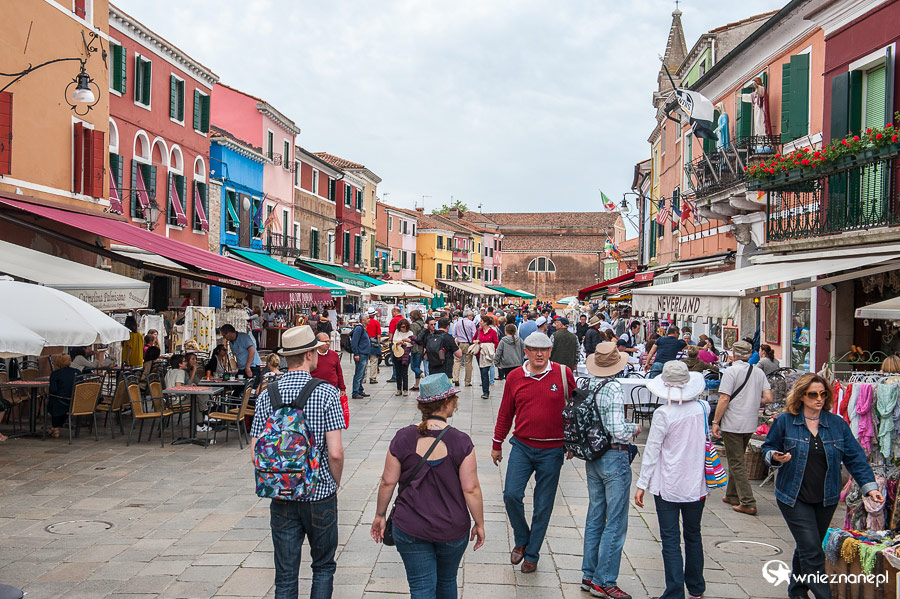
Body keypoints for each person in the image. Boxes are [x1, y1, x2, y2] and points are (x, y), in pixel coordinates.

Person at [761, 373, 882, 599]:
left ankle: (797, 592)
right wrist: (775, 457)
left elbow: (855, 457)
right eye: (813, 394)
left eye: (823, 394)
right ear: (801, 396)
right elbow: (767, 448)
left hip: (826, 498)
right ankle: (824, 595)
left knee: (809, 545)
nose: (818, 398)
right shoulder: (785, 421)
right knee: (813, 550)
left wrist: (870, 486)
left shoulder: (836, 424)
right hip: (792, 496)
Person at [249, 326, 345, 599]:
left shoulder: (268, 394)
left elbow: (256, 449)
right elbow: (335, 452)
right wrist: (334, 483)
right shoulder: (326, 393)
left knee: (286, 574)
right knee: (323, 567)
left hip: (281, 493)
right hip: (319, 493)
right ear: (310, 354)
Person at [370, 374, 485, 598]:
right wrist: (479, 523)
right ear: (447, 402)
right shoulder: (461, 442)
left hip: (410, 525)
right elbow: (470, 489)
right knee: (447, 581)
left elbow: (388, 481)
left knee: (421, 588)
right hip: (452, 527)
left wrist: (380, 514)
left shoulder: (403, 438)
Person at [492, 331, 575, 573]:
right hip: (523, 445)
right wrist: (497, 443)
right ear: (525, 351)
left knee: (543, 504)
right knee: (511, 494)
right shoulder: (516, 376)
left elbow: (576, 408)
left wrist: (572, 441)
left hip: (553, 449)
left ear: (550, 351)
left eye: (544, 350)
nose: (539, 354)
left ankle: (532, 553)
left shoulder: (562, 373)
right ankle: (522, 538)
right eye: (534, 349)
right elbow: (506, 412)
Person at [635, 361, 710, 599]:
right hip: (696, 482)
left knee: (670, 539)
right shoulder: (703, 408)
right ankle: (696, 588)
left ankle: (675, 591)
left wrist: (641, 484)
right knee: (693, 535)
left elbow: (652, 450)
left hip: (668, 482)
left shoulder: (663, 413)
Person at [581, 343, 640, 599]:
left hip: (593, 455)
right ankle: (604, 580)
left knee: (595, 517)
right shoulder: (614, 387)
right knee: (615, 521)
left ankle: (588, 573)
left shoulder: (588, 384)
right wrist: (634, 429)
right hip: (614, 455)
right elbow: (617, 429)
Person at [711, 340, 773, 516]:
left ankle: (748, 501)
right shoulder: (758, 372)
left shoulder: (731, 371)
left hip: (733, 422)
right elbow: (768, 397)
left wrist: (716, 422)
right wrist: (751, 400)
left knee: (736, 461)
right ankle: (732, 494)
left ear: (734, 353)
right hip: (750, 421)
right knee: (736, 457)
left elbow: (724, 399)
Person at [48, 353, 79, 438]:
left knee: (52, 401)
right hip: (75, 403)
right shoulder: (77, 372)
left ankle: (55, 427)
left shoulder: (55, 374)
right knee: (59, 404)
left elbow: (53, 390)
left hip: (61, 402)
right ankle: (55, 428)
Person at [311, 332, 346, 396]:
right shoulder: (311, 355)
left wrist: (342, 388)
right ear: (318, 342)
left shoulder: (334, 355)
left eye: (328, 341)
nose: (328, 343)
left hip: (332, 388)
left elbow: (339, 373)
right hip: (316, 389)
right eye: (325, 342)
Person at [473, 315, 499, 400]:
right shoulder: (478, 330)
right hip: (479, 354)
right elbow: (473, 339)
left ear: (486, 323)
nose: (479, 322)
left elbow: (496, 343)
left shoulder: (492, 332)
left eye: (481, 321)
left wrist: (488, 347)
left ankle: (485, 392)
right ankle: (485, 389)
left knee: (484, 372)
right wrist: (476, 341)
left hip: (487, 355)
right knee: (482, 372)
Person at [351, 313, 373, 399]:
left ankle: (360, 390)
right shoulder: (359, 328)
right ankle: (355, 392)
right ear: (363, 320)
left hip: (364, 354)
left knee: (362, 373)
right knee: (359, 373)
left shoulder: (363, 328)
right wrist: (356, 354)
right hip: (360, 354)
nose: (369, 320)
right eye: (367, 318)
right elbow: (354, 342)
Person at [452, 310, 476, 387]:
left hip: (459, 344)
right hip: (468, 344)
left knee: (457, 361)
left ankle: (456, 378)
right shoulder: (471, 323)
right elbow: (474, 335)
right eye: (471, 316)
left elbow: (454, 334)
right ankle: (467, 381)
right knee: (468, 363)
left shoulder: (458, 323)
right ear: (468, 316)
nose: (472, 317)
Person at [393, 319, 415, 396]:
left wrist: (402, 342)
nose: (403, 328)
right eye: (402, 327)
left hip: (406, 355)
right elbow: (395, 340)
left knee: (404, 372)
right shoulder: (397, 331)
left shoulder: (410, 333)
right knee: (398, 372)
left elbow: (411, 343)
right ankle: (399, 389)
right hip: (397, 353)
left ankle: (405, 389)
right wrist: (404, 342)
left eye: (404, 327)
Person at [409, 310, 426, 391]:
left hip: (415, 348)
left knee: (414, 367)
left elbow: (412, 337)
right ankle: (416, 385)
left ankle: (423, 375)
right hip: (423, 348)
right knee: (417, 366)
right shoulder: (423, 324)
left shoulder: (414, 325)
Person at [365, 307, 381, 384]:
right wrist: (379, 344)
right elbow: (378, 335)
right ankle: (372, 378)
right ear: (374, 314)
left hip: (365, 342)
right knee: (373, 361)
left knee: (364, 361)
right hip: (374, 342)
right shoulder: (376, 322)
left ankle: (363, 378)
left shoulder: (365, 322)